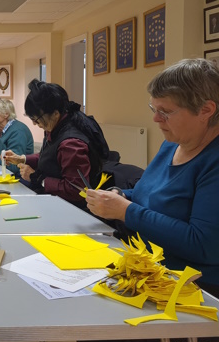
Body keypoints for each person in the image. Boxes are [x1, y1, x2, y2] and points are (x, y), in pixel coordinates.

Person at [86, 58, 219, 297]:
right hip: (145, 266)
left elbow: (203, 245)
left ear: (206, 110)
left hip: (193, 288)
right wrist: (120, 196)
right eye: (154, 109)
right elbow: (150, 196)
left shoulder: (213, 161)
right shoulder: (173, 144)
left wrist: (126, 211)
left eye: (165, 112)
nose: (156, 119)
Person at [4, 79, 109, 209]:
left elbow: (76, 190)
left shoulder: (71, 143)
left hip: (69, 207)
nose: (34, 124)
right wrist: (23, 159)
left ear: (55, 114)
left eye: (36, 119)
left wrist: (36, 177)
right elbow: (50, 157)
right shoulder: (56, 126)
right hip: (53, 198)